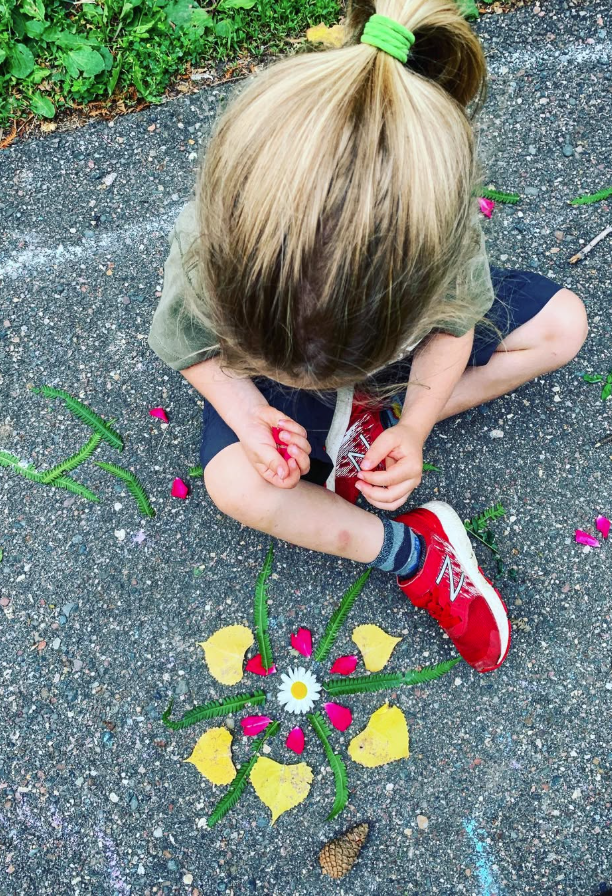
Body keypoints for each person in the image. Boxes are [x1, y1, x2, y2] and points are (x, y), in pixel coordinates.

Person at [149, 0, 588, 674]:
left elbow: (451, 331)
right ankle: (409, 550)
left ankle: (366, 433)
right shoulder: (209, 247)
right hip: (319, 337)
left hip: (391, 330)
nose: (318, 390)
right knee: (235, 484)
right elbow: (185, 345)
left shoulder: (439, 247)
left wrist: (412, 425)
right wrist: (248, 410)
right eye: (304, 379)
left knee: (564, 326)